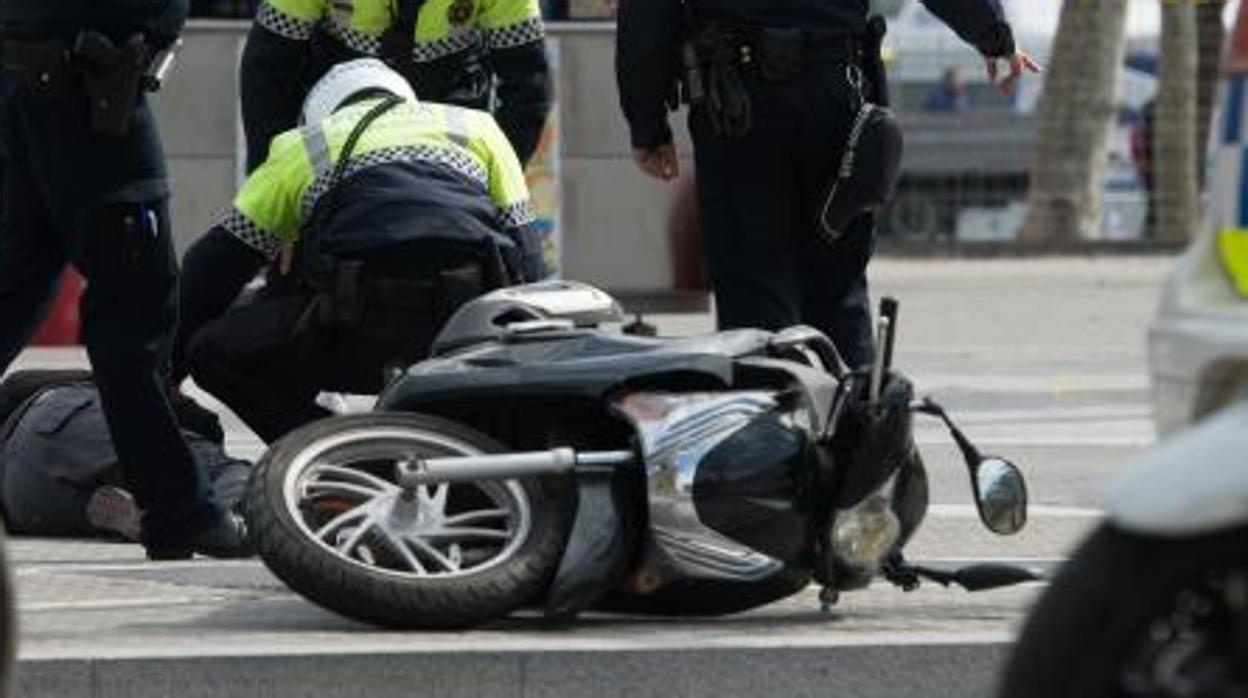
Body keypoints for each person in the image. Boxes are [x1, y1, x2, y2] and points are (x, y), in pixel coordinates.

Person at [616, 0, 1041, 368]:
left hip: (739, 108)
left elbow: (647, 13)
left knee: (754, 292)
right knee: (837, 287)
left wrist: (647, 123)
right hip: (836, 94)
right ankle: (854, 444)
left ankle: (772, 442)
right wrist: (994, 37)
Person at [174, 58, 545, 444]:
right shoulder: (475, 126)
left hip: (355, 325)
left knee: (214, 351)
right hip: (466, 324)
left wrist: (167, 370)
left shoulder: (304, 144)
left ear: (319, 114)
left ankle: (329, 451)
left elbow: (212, 266)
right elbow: (527, 250)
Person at [0, 0, 250, 559]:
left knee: (18, 284)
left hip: (46, 73)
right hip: (85, 80)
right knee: (136, 305)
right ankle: (178, 508)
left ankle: (177, 504)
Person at [240, 0, 551, 172]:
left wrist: (502, 178)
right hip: (339, 118)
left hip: (450, 123)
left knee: (508, 256)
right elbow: (266, 74)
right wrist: (270, 176)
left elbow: (530, 88)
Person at [0, 370, 251, 542]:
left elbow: (13, 384)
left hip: (21, 496)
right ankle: (212, 521)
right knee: (225, 468)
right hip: (60, 419)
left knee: (102, 507)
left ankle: (149, 518)